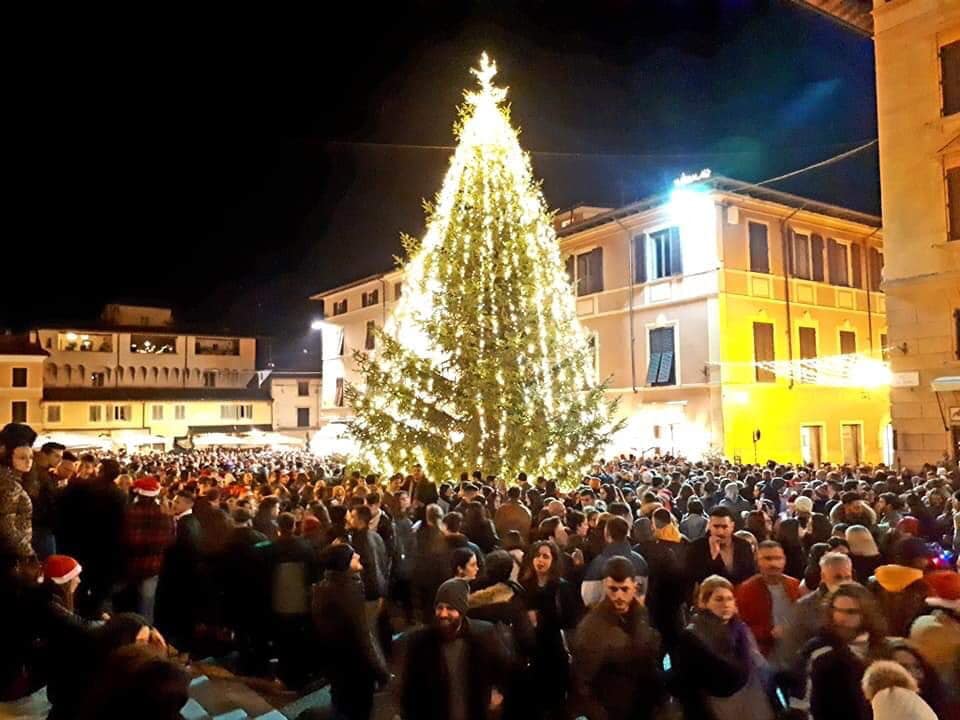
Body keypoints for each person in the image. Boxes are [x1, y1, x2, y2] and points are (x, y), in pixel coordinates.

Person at [397, 578, 512, 720]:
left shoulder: (483, 634)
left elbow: (507, 668)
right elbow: (409, 690)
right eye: (440, 607)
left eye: (450, 608)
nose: (443, 614)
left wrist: (498, 691)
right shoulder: (421, 641)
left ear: (462, 611)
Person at [570, 556, 665, 720]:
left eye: (624, 589)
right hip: (612, 708)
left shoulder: (640, 614)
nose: (618, 596)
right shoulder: (593, 626)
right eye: (613, 589)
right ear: (604, 587)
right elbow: (582, 681)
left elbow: (647, 655)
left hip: (642, 704)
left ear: (634, 588)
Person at [674, 575, 775, 720]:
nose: (726, 604)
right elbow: (688, 685)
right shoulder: (693, 636)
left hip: (748, 704)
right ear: (703, 603)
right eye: (719, 599)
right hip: (711, 709)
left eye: (729, 599)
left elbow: (756, 666)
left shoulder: (740, 629)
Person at [312, 543, 388, 720]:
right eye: (353, 555)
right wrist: (381, 671)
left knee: (341, 705)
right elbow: (363, 636)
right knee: (358, 711)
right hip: (355, 668)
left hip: (336, 664)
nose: (358, 556)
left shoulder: (325, 587)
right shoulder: (348, 590)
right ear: (344, 563)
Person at [797, 583, 891, 720]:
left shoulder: (881, 649)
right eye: (837, 610)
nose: (842, 618)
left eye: (851, 612)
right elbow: (803, 702)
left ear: (865, 613)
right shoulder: (818, 650)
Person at [56, 457, 127, 617]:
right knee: (100, 592)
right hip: (105, 550)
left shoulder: (79, 486)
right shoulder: (119, 495)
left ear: (99, 470)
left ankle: (75, 616)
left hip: (77, 545)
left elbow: (62, 510)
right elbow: (121, 526)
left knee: (77, 586)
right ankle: (95, 619)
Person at [517, 540, 579, 720]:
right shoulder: (525, 585)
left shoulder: (562, 588)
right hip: (530, 653)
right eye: (537, 556)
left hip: (555, 652)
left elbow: (571, 621)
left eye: (545, 556)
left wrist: (542, 620)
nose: (540, 560)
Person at [735, 540, 802, 663]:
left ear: (784, 559)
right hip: (762, 656)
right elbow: (739, 627)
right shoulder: (746, 590)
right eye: (767, 558)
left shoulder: (795, 585)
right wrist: (769, 632)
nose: (773, 563)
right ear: (757, 560)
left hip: (795, 652)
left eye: (778, 558)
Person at [119, 477, 174, 623]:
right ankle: (146, 635)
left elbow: (123, 538)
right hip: (152, 566)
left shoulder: (128, 512)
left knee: (124, 602)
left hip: (128, 564)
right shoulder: (165, 514)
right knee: (146, 605)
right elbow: (170, 539)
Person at [782, 551, 854, 660]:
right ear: (823, 576)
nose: (844, 583)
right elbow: (793, 649)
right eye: (838, 577)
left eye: (848, 577)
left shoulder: (859, 601)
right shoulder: (805, 607)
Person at [154, 490, 201, 651]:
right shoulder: (187, 521)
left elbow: (172, 548)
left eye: (178, 502)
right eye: (174, 501)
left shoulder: (185, 524)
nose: (174, 505)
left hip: (177, 577)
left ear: (189, 504)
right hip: (179, 575)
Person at [580, 515, 648, 607]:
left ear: (607, 535)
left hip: (605, 618)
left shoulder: (598, 564)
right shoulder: (640, 561)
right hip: (633, 616)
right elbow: (643, 592)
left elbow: (589, 598)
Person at [686, 506, 756, 588]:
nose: (720, 532)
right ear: (709, 526)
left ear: (732, 526)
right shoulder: (696, 547)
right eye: (716, 526)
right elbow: (693, 580)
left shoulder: (744, 546)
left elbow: (751, 576)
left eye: (724, 527)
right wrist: (714, 556)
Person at [21, 441, 64, 559]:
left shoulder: (44, 472)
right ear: (44, 454)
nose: (59, 460)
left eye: (61, 457)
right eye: (56, 456)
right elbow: (35, 497)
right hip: (40, 526)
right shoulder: (34, 472)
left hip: (43, 524)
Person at [0, 422, 36, 558]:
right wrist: (28, 552)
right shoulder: (9, 484)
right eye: (22, 457)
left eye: (31, 457)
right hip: (11, 554)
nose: (28, 462)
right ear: (9, 457)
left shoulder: (13, 480)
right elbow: (6, 526)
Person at [860, 660, 938, 720]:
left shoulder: (883, 701)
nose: (913, 672)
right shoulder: (917, 704)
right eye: (905, 666)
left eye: (917, 666)